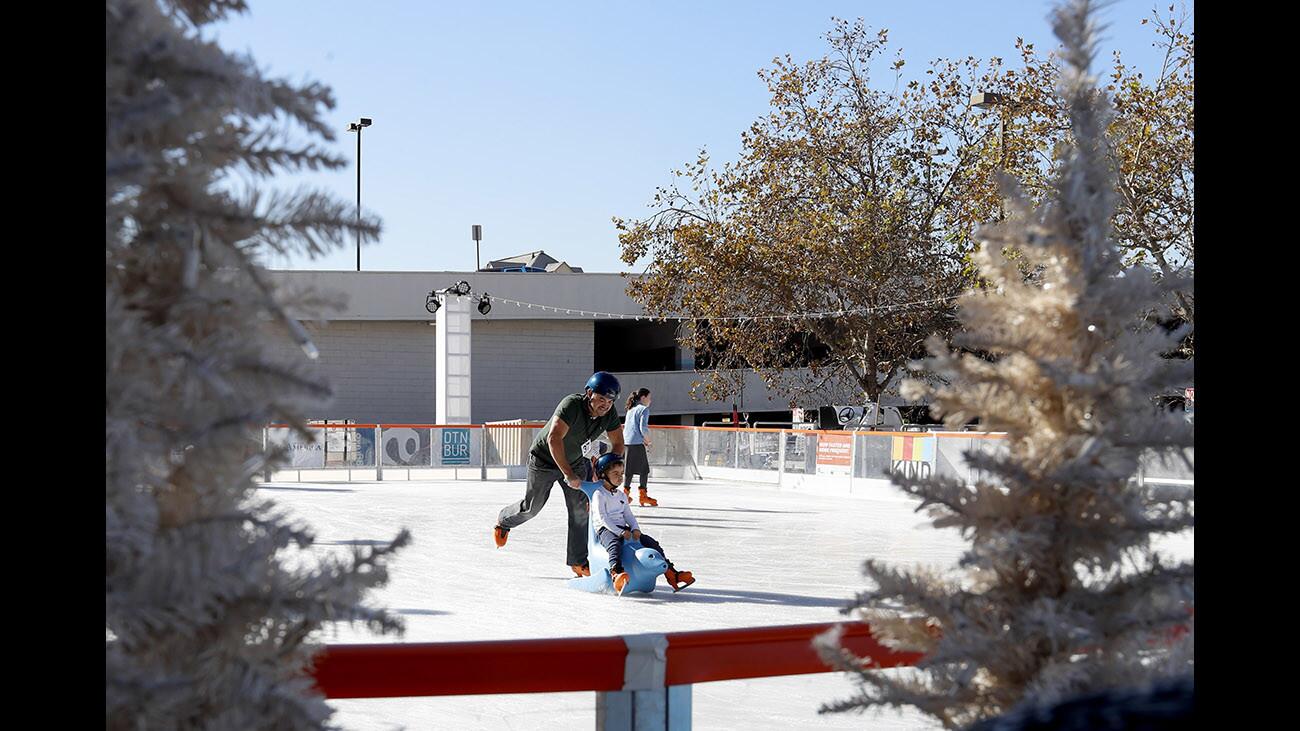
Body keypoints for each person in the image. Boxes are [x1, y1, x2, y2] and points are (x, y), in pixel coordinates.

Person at [493, 372, 625, 577]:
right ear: (589, 393)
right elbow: (553, 439)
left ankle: (578, 561)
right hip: (544, 460)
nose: (605, 405)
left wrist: (608, 469)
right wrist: (568, 474)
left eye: (610, 401)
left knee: (580, 510)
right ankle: (504, 520)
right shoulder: (571, 405)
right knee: (532, 508)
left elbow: (618, 443)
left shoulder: (609, 413)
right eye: (601, 399)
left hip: (574, 461)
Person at [590, 453, 694, 594]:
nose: (620, 477)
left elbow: (628, 515)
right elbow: (603, 518)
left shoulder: (621, 495)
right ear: (603, 475)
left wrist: (635, 529)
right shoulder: (599, 494)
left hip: (622, 528)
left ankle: (672, 574)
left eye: (621, 473)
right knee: (614, 545)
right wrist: (619, 532)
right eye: (615, 473)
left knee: (650, 542)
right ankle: (616, 573)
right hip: (605, 529)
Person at [622, 388, 658, 506]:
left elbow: (629, 427)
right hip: (637, 443)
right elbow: (643, 428)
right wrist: (648, 441)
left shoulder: (630, 410)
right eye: (649, 397)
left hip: (627, 442)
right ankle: (643, 496)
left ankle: (625, 495)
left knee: (629, 470)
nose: (650, 400)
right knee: (644, 470)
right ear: (643, 397)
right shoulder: (643, 409)